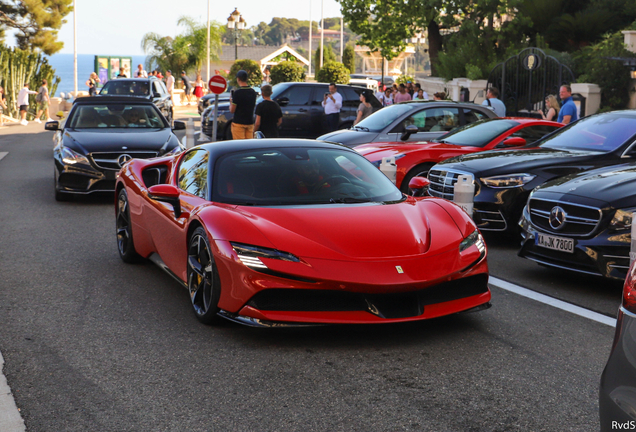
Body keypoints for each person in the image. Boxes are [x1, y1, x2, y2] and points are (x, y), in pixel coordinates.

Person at [229, 70, 257, 139]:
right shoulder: (253, 92)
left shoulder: (237, 93)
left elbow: (232, 110)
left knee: (240, 145)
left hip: (238, 123)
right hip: (250, 122)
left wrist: (231, 101)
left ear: (238, 79)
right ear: (246, 79)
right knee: (249, 146)